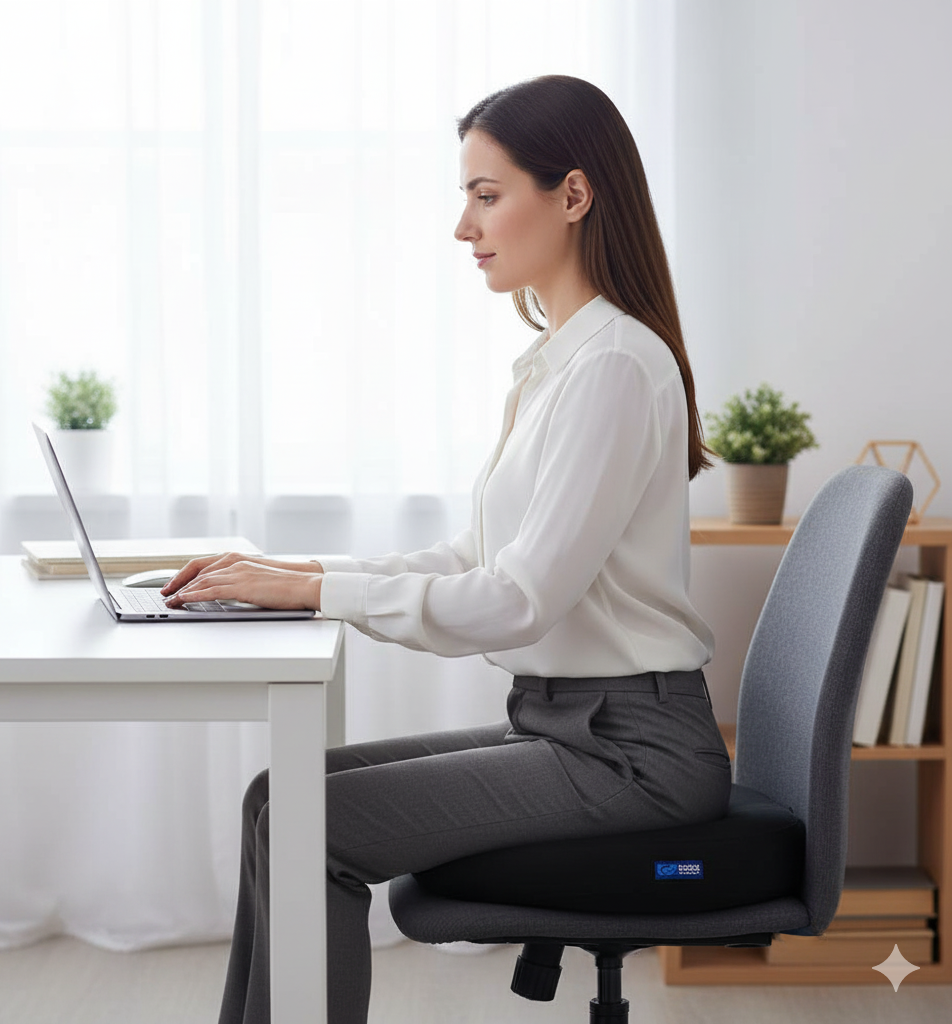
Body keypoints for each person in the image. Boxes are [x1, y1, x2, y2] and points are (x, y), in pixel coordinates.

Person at [162, 74, 731, 1024]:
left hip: (632, 754)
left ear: (575, 196)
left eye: (486, 194)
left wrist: (314, 599)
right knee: (278, 795)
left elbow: (514, 601)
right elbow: (474, 551)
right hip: (568, 725)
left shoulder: (617, 369)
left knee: (310, 823)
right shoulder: (562, 364)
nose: (464, 228)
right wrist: (298, 575)